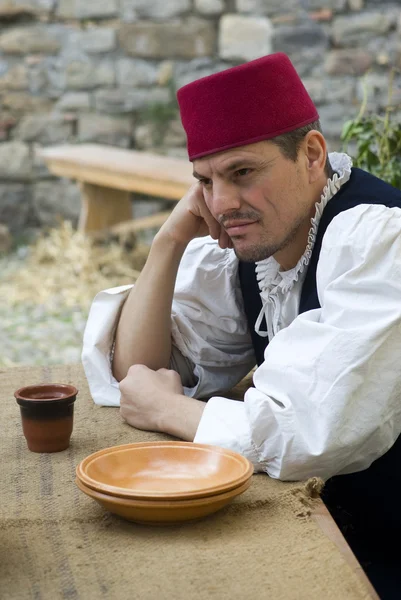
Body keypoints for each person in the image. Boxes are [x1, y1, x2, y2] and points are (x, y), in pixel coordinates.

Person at [82, 53, 401, 597]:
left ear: (312, 155)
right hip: (312, 531)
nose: (222, 202)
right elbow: (141, 371)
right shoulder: (254, 249)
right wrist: (169, 243)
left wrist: (170, 409)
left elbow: (309, 435)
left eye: (243, 173)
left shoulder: (375, 237)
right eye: (204, 181)